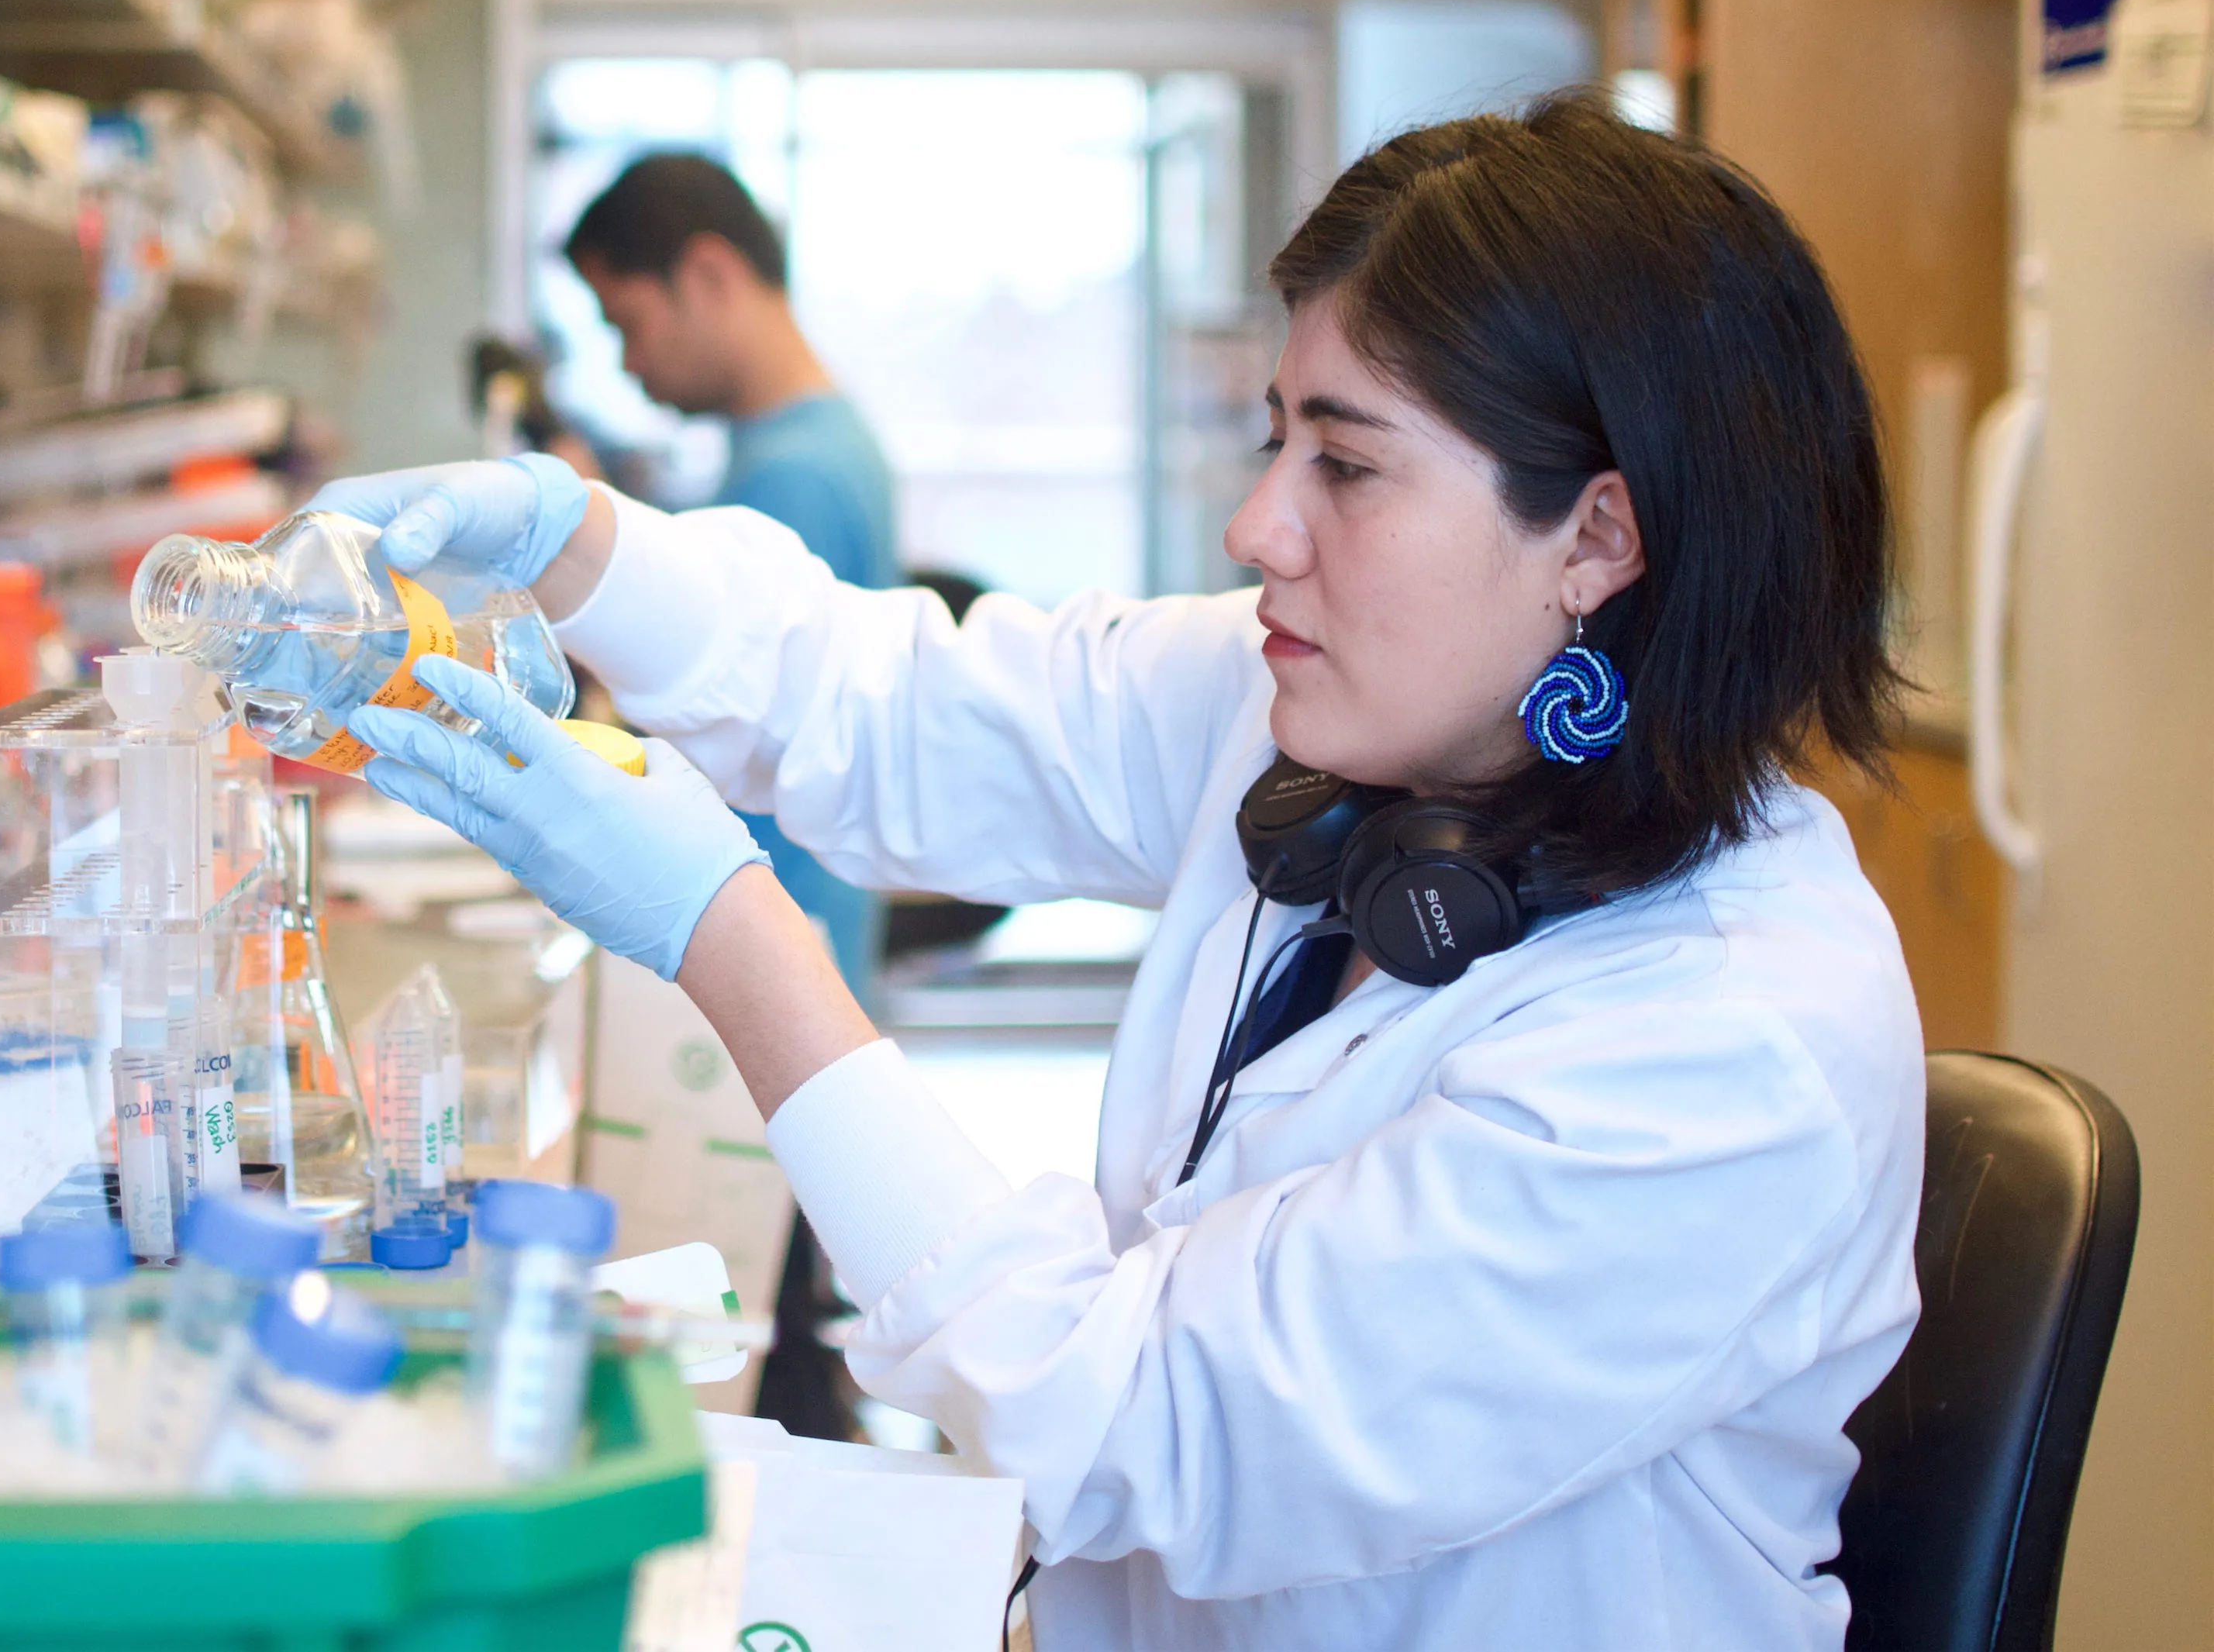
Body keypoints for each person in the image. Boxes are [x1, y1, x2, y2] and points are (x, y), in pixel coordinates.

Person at [310, 95, 1923, 1650]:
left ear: (1597, 537)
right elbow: (906, 706)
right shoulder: (1324, 711)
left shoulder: (1732, 1040)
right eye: (1273, 439)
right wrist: (573, 545)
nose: (1256, 526)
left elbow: (1151, 1425)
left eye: (1345, 468)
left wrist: (735, 938)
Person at [563, 152, 898, 1011]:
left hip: (773, 945)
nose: (629, 362)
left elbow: (701, 716)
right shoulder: (811, 445)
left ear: (709, 273)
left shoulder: (793, 479)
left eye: (628, 322)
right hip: (791, 935)